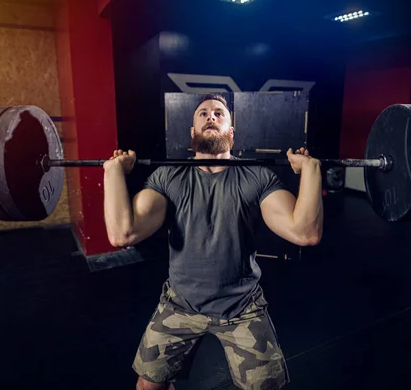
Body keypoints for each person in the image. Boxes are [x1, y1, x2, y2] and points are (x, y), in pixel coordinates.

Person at [103, 93, 323, 390]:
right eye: (203, 113)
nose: (211, 116)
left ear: (231, 133)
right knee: (148, 386)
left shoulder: (256, 176)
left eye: (219, 113)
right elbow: (123, 233)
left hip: (242, 307)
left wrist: (310, 170)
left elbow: (305, 233)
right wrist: (113, 171)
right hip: (180, 304)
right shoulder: (169, 176)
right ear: (193, 132)